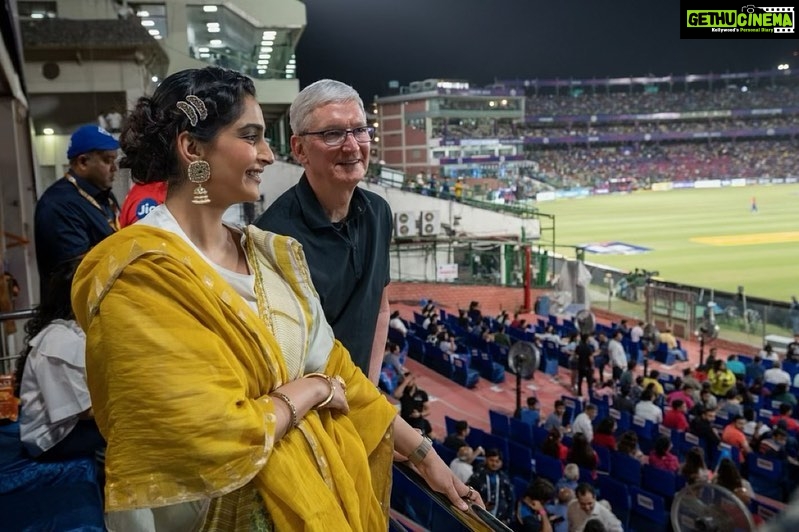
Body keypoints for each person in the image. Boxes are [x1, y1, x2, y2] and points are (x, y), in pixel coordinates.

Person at [70, 67, 480, 530]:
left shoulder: (269, 254)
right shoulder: (140, 274)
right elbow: (218, 433)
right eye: (251, 137)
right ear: (192, 149)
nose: (267, 155)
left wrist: (425, 456)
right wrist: (313, 388)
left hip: (315, 504)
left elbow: (344, 373)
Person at [254, 79, 392, 384]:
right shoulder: (273, 237)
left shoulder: (379, 213)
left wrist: (370, 391)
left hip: (360, 398)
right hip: (313, 409)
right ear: (299, 149)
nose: (352, 145)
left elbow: (380, 311)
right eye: (332, 133)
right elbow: (286, 355)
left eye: (359, 130)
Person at [16, 258, 105, 461]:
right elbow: (83, 411)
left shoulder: (69, 332)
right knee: (133, 432)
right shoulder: (60, 341)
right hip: (53, 439)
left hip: (67, 426)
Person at [34, 124, 120, 295]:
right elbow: (76, 272)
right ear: (82, 162)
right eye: (107, 160)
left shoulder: (105, 197)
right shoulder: (58, 204)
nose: (114, 168)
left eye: (114, 161)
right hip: (71, 315)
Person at [468, 448, 515, 525]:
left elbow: (511, 500)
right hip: (477, 516)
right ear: (486, 460)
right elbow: (469, 491)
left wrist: (507, 519)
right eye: (491, 460)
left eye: (497, 461)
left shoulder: (505, 479)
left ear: (501, 463)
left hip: (499, 521)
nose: (494, 464)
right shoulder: (478, 475)